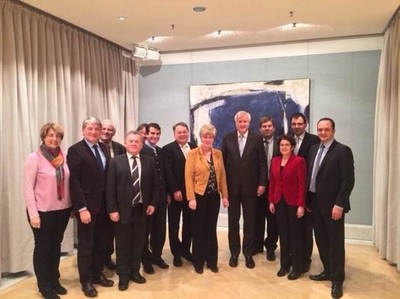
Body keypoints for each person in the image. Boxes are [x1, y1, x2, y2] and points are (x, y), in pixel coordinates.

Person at [307, 118, 355, 299]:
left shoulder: (343, 151)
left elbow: (348, 181)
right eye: (320, 129)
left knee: (335, 244)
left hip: (333, 206)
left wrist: (339, 204)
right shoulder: (313, 149)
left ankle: (337, 280)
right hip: (315, 204)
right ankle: (327, 270)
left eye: (326, 129)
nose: (322, 132)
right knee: (321, 241)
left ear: (333, 130)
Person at [24, 123, 72, 299]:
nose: (54, 139)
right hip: (42, 211)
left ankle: (54, 280)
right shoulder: (34, 158)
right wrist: (33, 214)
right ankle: (44, 286)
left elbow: (69, 184)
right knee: (43, 248)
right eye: (51, 135)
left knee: (55, 246)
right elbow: (28, 188)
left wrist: (72, 206)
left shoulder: (65, 156)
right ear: (43, 137)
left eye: (58, 136)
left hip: (63, 210)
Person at [106, 131, 159, 291]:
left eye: (137, 141)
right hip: (122, 211)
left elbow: (156, 186)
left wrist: (153, 204)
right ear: (126, 143)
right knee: (122, 245)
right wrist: (112, 210)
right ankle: (123, 275)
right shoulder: (116, 162)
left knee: (138, 243)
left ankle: (135, 272)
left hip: (141, 210)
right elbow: (110, 189)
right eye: (131, 141)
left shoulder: (149, 161)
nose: (134, 143)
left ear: (142, 144)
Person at [67, 117, 114, 298]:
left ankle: (97, 273)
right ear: (83, 130)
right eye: (90, 128)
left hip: (103, 206)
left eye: (96, 128)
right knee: (86, 246)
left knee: (101, 243)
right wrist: (81, 208)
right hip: (87, 207)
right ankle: (85, 281)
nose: (93, 131)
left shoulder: (103, 148)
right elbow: (74, 181)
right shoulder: (75, 150)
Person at [221, 111, 267, 269]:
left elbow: (262, 163)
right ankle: (234, 253)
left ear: (249, 122)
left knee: (249, 222)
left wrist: (262, 183)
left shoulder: (257, 138)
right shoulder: (227, 138)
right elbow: (222, 165)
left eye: (245, 121)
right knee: (233, 223)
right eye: (239, 121)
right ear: (235, 123)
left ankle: (248, 253)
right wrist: (223, 188)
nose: (242, 124)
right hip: (232, 189)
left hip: (251, 188)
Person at [185, 124, 229, 274]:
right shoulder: (193, 154)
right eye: (205, 137)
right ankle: (199, 262)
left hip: (213, 197)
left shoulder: (218, 153)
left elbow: (222, 176)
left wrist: (225, 195)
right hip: (198, 196)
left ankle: (212, 261)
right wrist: (191, 198)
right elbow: (188, 178)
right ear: (200, 137)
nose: (208, 139)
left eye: (210, 137)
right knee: (198, 230)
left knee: (211, 229)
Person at [268, 135, 306, 280]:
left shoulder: (299, 161)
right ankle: (284, 264)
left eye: (287, 145)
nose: (284, 147)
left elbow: (302, 184)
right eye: (282, 145)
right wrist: (271, 200)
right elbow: (272, 182)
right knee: (283, 235)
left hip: (294, 203)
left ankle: (297, 267)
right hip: (279, 202)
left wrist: (301, 205)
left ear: (292, 147)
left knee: (295, 235)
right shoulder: (275, 161)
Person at [163, 122, 196, 267]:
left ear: (188, 132)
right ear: (174, 134)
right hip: (176, 194)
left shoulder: (195, 147)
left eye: (184, 131)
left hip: (191, 194)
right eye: (179, 132)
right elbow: (168, 172)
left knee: (189, 224)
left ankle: (185, 250)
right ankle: (176, 253)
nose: (182, 134)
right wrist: (175, 190)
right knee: (174, 225)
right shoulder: (168, 149)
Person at [289, 112, 320, 273]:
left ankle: (305, 259)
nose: (296, 126)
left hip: (306, 191)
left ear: (305, 124)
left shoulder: (314, 140)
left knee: (306, 229)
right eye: (294, 124)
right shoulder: (286, 139)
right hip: (288, 193)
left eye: (299, 124)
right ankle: (292, 256)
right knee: (291, 228)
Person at [141, 123, 172, 274]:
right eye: (152, 133)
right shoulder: (141, 150)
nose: (155, 136)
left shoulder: (161, 151)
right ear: (145, 134)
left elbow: (164, 175)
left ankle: (157, 256)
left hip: (161, 198)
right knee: (145, 230)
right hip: (147, 200)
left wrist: (167, 193)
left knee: (160, 230)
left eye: (157, 134)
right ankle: (146, 261)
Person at [100, 119, 126, 270]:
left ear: (113, 132)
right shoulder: (93, 148)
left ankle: (108, 257)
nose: (106, 131)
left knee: (111, 230)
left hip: (116, 196)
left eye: (109, 129)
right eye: (103, 128)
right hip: (97, 197)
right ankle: (97, 260)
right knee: (99, 231)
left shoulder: (120, 148)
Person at [253, 116, 279, 261]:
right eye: (264, 126)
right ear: (260, 128)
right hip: (257, 186)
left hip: (274, 185)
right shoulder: (254, 142)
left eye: (269, 126)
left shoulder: (280, 142)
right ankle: (257, 245)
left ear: (273, 128)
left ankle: (270, 246)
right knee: (257, 217)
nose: (267, 128)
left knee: (273, 218)